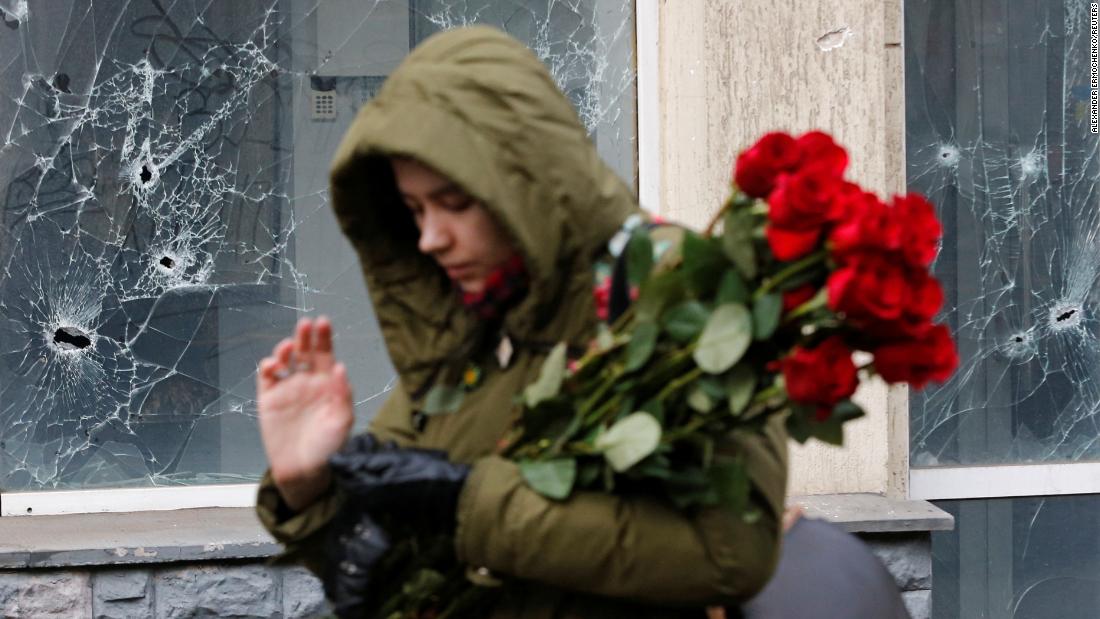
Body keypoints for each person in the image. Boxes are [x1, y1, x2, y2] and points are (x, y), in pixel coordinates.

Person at [255, 25, 788, 618]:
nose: (431, 238)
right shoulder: (465, 329)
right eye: (413, 210)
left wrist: (467, 504)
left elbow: (731, 555)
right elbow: (393, 577)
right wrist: (310, 486)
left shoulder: (673, 293)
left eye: (455, 203)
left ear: (527, 182)